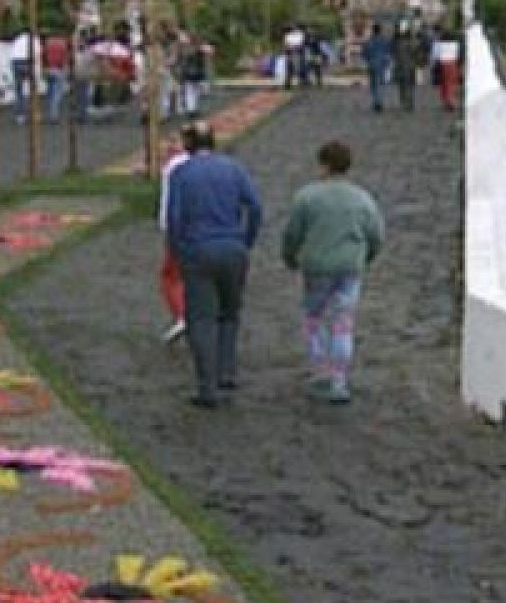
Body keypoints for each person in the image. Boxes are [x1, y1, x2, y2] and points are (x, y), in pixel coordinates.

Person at [165, 122, 263, 408]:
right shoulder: (234, 168)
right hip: (233, 246)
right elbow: (255, 206)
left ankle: (207, 385)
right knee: (230, 313)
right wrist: (246, 239)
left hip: (197, 249)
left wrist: (179, 248)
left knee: (201, 318)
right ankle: (227, 371)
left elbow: (174, 218)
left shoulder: (181, 173)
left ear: (189, 144)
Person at [280, 141, 385, 404]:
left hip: (316, 267)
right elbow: (376, 235)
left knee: (314, 318)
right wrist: (365, 257)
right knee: (342, 323)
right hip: (350, 268)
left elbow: (292, 233)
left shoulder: (307, 197)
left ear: (323, 164)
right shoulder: (362, 198)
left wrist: (290, 257)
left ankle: (321, 372)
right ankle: (340, 379)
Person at [156, 125, 199, 345]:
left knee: (170, 275)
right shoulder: (195, 164)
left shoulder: (174, 167)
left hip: (176, 229)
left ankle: (183, 315)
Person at [8, 29, 40, 124]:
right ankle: (34, 114)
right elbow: (37, 54)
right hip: (28, 61)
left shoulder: (18, 39)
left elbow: (12, 53)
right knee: (33, 89)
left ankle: (20, 116)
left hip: (15, 62)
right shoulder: (34, 39)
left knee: (19, 90)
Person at [361, 25, 394, 113]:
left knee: (373, 85)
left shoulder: (368, 41)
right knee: (381, 84)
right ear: (380, 30)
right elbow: (389, 52)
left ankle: (376, 101)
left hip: (371, 64)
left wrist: (368, 60)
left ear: (373, 30)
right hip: (382, 65)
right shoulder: (385, 41)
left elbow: (364, 53)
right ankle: (379, 101)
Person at [392, 22, 423, 112]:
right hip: (410, 66)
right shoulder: (412, 42)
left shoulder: (396, 42)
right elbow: (417, 53)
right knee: (409, 86)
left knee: (402, 86)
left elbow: (393, 53)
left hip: (400, 66)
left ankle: (405, 102)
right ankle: (408, 102)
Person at [431, 28, 463, 112]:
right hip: (453, 64)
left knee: (443, 85)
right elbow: (458, 55)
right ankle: (451, 100)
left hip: (442, 65)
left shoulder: (438, 44)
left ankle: (448, 101)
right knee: (452, 83)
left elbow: (434, 56)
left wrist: (433, 65)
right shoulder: (455, 44)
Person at [42, 30, 71, 123]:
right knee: (57, 94)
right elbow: (64, 59)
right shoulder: (63, 45)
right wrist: (65, 70)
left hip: (48, 70)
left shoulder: (47, 45)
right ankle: (53, 116)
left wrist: (44, 68)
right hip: (59, 70)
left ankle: (50, 112)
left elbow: (43, 57)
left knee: (50, 92)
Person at [177, 32, 207, 116]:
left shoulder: (196, 49)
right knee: (192, 91)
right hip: (193, 73)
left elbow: (209, 52)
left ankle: (192, 109)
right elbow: (181, 61)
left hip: (194, 73)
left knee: (195, 91)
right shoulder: (190, 49)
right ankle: (192, 110)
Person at [282, 24, 306, 89]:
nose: (293, 29)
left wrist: (294, 47)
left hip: (297, 52)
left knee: (298, 68)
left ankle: (301, 82)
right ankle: (288, 83)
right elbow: (285, 44)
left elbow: (301, 43)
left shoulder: (300, 34)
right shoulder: (288, 35)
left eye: (295, 28)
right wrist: (288, 47)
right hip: (289, 52)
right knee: (289, 68)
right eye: (292, 28)